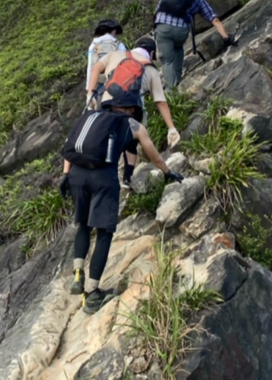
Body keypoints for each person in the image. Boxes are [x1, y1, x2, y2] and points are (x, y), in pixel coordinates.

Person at [59, 96, 183, 314]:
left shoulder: (89, 116)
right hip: (103, 179)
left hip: (77, 175)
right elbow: (152, 153)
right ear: (131, 108)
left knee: (84, 226)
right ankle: (92, 293)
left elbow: (69, 145)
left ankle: (78, 273)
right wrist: (167, 172)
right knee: (104, 232)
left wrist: (65, 175)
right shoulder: (131, 124)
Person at [86, 37, 181, 188]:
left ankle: (98, 172)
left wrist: (90, 93)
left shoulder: (115, 54)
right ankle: (127, 178)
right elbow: (160, 102)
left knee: (105, 135)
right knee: (132, 140)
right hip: (131, 108)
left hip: (106, 102)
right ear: (151, 52)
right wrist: (171, 128)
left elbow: (96, 68)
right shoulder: (150, 68)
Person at [153, 0, 237, 89]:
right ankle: (177, 80)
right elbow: (214, 20)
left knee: (167, 60)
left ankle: (171, 91)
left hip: (162, 28)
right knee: (178, 48)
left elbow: (156, 13)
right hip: (181, 30)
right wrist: (226, 38)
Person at [85, 19, 127, 108]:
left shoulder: (93, 45)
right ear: (114, 30)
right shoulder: (119, 45)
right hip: (115, 84)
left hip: (97, 84)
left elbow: (90, 68)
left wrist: (89, 92)